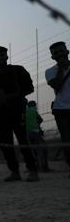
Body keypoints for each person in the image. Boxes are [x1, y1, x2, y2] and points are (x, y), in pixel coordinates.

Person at [0, 46, 39, 182]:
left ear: (6, 56)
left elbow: (30, 88)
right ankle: (14, 172)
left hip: (18, 112)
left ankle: (33, 170)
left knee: (24, 142)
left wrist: (12, 96)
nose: (0, 57)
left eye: (2, 55)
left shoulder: (18, 70)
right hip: (2, 115)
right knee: (6, 146)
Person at [45, 41, 70, 176]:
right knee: (66, 139)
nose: (59, 54)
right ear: (52, 57)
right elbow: (57, 86)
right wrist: (61, 68)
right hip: (61, 110)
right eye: (56, 53)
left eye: (61, 51)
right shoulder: (50, 71)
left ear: (67, 51)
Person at [25, 101, 50, 172]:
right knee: (41, 149)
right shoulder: (34, 111)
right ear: (33, 105)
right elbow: (41, 119)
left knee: (32, 151)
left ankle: (33, 167)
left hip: (27, 133)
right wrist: (37, 124)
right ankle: (43, 166)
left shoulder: (25, 112)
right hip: (36, 132)